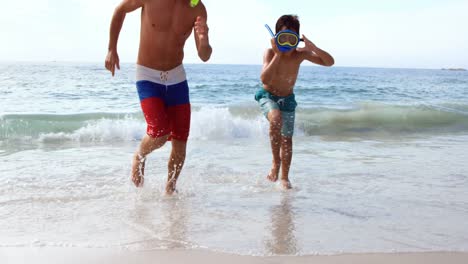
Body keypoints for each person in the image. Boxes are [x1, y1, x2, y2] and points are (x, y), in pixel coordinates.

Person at [105, 0, 212, 194]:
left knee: (180, 143)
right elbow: (120, 10)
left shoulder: (197, 7)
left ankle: (170, 190)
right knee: (160, 132)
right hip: (147, 75)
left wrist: (204, 40)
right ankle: (139, 156)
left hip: (177, 78)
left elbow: (204, 55)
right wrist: (112, 48)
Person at [256, 15, 334, 189]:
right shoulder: (270, 53)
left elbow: (329, 62)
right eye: (283, 38)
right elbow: (265, 78)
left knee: (287, 139)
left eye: (291, 39)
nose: (287, 44)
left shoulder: (300, 55)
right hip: (268, 96)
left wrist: (313, 48)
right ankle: (276, 163)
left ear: (297, 40)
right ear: (276, 38)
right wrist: (277, 55)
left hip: (288, 99)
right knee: (275, 119)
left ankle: (285, 177)